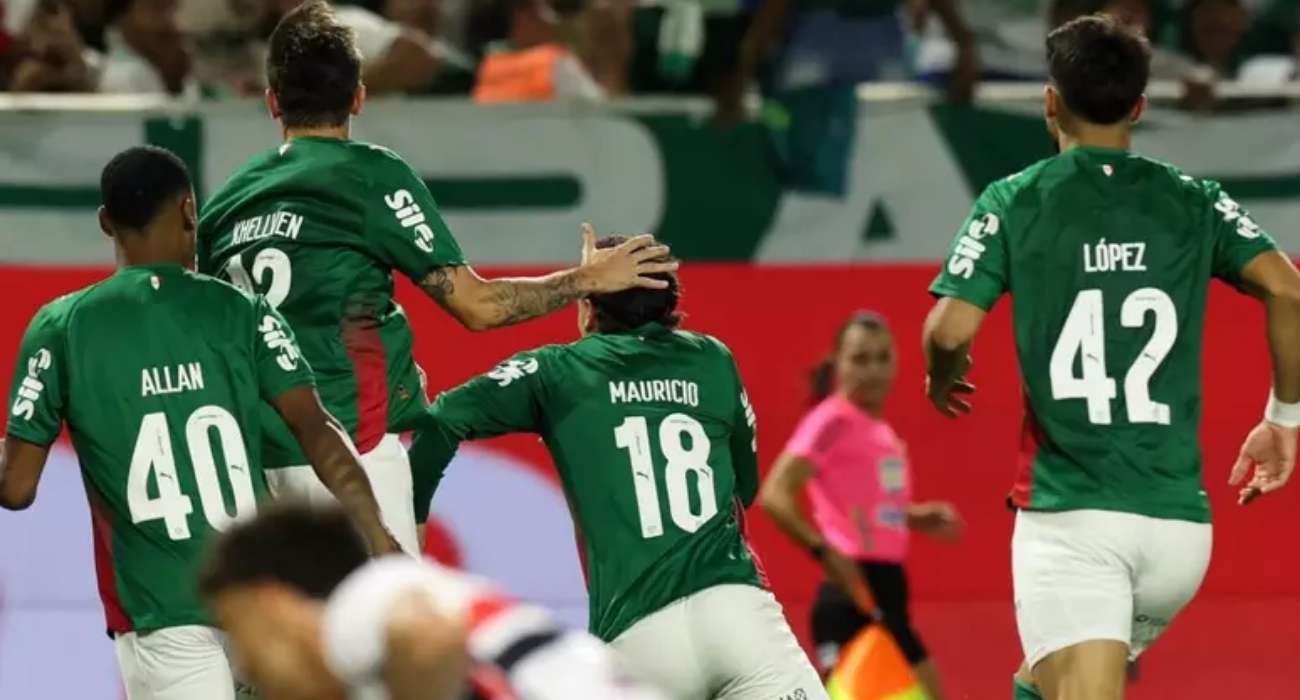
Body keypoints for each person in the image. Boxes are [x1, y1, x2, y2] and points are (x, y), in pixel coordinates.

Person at [197, 0, 675, 555]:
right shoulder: (370, 177)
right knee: (378, 636)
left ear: (272, 101)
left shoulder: (224, 204)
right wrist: (586, 280)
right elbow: (479, 306)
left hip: (252, 470)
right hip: (351, 453)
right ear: (358, 96)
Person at [922, 15, 1300, 700]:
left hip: (1075, 521)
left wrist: (941, 376)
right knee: (1042, 680)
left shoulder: (1016, 200)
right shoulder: (1194, 200)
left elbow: (948, 332)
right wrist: (1284, 419)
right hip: (1179, 529)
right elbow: (1287, 290)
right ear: (1138, 107)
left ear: (1049, 101)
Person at [0, 146, 399, 700]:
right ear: (191, 210)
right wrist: (380, 536)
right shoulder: (244, 310)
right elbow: (318, 430)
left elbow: (15, 488)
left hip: (156, 609)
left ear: (104, 222)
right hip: (260, 592)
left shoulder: (60, 327)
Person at [409, 236, 828, 700]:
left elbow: (440, 421)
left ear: (589, 304)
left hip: (638, 632)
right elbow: (744, 487)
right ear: (669, 300)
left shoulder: (557, 372)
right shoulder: (712, 359)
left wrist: (414, 520)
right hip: (737, 615)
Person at [198, 503, 669, 700]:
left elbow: (425, 636)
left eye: (239, 632)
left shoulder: (361, 602)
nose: (246, 665)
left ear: (272, 604)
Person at [759, 311, 962, 700]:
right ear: (838, 363)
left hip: (888, 588)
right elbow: (776, 494)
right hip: (852, 592)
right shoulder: (832, 421)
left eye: (883, 358)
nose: (874, 371)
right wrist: (824, 551)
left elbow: (865, 505)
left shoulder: (878, 430)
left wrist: (914, 517)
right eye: (860, 359)